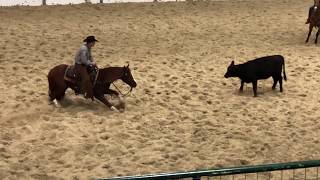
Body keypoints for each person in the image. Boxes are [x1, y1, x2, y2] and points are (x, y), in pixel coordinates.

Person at [74, 35, 98, 100]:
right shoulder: (84, 49)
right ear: (90, 42)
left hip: (84, 64)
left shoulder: (88, 48)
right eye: (93, 42)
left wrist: (93, 62)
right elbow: (84, 61)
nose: (94, 44)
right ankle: (83, 92)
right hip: (79, 65)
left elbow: (90, 57)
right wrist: (92, 63)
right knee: (86, 78)